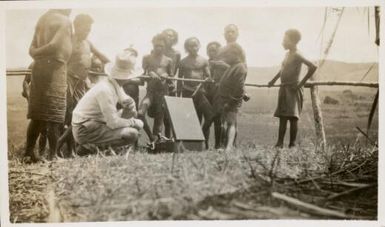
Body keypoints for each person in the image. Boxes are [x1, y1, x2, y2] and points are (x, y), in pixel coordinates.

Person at [58, 14, 110, 156]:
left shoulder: (88, 43)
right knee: (68, 116)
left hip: (82, 83)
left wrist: (114, 67)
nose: (87, 32)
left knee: (79, 115)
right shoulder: (68, 41)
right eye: (85, 29)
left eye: (89, 30)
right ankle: (66, 149)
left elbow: (102, 56)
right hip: (68, 81)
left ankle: (70, 149)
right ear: (76, 26)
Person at [71, 49, 143, 151]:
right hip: (85, 129)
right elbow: (112, 123)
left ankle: (104, 148)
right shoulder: (105, 89)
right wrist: (133, 122)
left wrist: (131, 108)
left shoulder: (114, 84)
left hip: (95, 124)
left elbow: (129, 104)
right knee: (132, 134)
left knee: (129, 112)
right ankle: (89, 147)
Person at [25, 9, 73, 162]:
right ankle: (53, 156)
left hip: (39, 67)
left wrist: (37, 54)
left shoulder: (42, 19)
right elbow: (54, 45)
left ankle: (28, 153)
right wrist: (42, 54)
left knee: (37, 115)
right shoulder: (65, 21)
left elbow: (31, 50)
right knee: (54, 115)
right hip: (55, 68)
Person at [268, 29, 317, 148]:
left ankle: (292, 144)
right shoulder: (287, 54)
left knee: (293, 117)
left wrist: (300, 84)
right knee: (282, 116)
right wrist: (274, 80)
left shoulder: (297, 54)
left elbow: (313, 66)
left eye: (285, 40)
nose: (282, 43)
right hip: (284, 88)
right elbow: (283, 69)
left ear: (293, 41)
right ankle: (279, 143)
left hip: (293, 89)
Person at [138, 34, 173, 145]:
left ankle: (155, 144)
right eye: (157, 45)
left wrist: (167, 75)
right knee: (140, 113)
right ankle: (151, 137)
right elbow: (142, 74)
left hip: (163, 93)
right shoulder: (146, 58)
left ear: (165, 46)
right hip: (150, 92)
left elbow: (171, 77)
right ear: (153, 44)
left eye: (161, 46)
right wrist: (149, 72)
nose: (159, 48)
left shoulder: (169, 60)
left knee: (159, 121)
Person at [215, 43, 247, 152]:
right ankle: (225, 146)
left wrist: (231, 101)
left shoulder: (240, 67)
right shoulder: (233, 67)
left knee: (231, 122)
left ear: (235, 54)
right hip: (225, 100)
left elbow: (239, 88)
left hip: (231, 100)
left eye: (227, 56)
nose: (225, 58)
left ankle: (229, 147)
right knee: (226, 123)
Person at [178, 37, 214, 127]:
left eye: (195, 45)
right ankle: (190, 140)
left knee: (210, 115)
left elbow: (208, 76)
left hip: (200, 92)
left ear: (199, 46)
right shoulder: (183, 62)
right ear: (187, 47)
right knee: (190, 118)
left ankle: (202, 134)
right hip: (187, 92)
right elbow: (179, 80)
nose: (193, 48)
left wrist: (208, 79)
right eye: (191, 46)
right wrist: (178, 97)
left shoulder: (204, 61)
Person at [202, 41, 229, 149]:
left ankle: (218, 144)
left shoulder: (223, 63)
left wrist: (217, 63)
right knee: (208, 119)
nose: (211, 52)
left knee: (218, 119)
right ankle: (205, 145)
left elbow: (231, 69)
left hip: (219, 94)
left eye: (214, 50)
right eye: (209, 50)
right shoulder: (205, 63)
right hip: (207, 93)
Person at [22, 62, 47, 156]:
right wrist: (29, 97)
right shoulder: (34, 64)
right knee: (36, 123)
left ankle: (42, 153)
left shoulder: (54, 62)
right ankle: (29, 152)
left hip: (49, 98)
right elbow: (25, 82)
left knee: (45, 128)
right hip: (35, 99)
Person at [161, 28, 181, 137]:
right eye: (167, 35)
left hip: (171, 84)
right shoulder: (157, 50)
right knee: (160, 112)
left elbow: (175, 68)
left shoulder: (177, 53)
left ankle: (169, 138)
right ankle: (158, 138)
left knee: (170, 111)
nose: (170, 37)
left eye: (172, 35)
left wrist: (171, 79)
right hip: (159, 83)